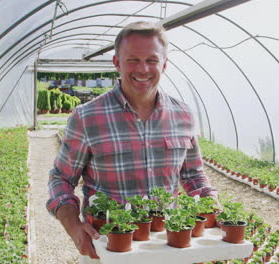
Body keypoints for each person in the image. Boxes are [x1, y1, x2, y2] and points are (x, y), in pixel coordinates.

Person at [46, 21, 218, 260]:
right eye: (133, 59)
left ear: (164, 64)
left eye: (152, 60)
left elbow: (193, 176)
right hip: (108, 248)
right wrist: (74, 227)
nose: (143, 69)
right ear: (117, 62)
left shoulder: (183, 115)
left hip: (166, 247)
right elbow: (61, 178)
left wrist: (212, 204)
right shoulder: (87, 117)